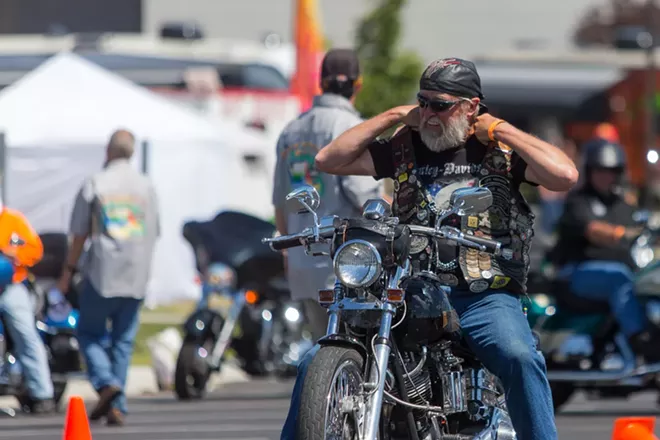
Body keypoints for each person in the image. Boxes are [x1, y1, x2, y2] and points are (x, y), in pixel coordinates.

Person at [282, 57, 579, 440]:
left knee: (520, 357)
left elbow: (565, 175)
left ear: (471, 107)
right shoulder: (407, 146)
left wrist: (501, 129)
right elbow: (328, 160)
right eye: (422, 103)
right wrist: (392, 115)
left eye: (440, 105)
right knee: (314, 361)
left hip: (482, 294)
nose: (429, 114)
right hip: (409, 289)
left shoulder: (499, 152)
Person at [272, 48, 383, 340]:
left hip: (302, 255)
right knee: (356, 350)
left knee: (322, 346)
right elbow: (363, 198)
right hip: (345, 260)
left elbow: (280, 201)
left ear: (320, 82)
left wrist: (288, 253)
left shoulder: (291, 130)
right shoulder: (350, 127)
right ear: (358, 86)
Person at [56, 129, 160, 426]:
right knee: (123, 341)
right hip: (137, 272)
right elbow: (156, 230)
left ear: (108, 151)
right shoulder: (146, 185)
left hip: (103, 272)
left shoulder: (96, 182)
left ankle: (104, 383)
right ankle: (118, 405)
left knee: (89, 333)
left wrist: (69, 270)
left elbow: (79, 233)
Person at [553, 138, 659, 361]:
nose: (605, 176)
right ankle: (640, 340)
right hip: (576, 274)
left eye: (610, 171)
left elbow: (644, 229)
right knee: (618, 278)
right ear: (590, 171)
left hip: (625, 272)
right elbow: (592, 229)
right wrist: (622, 234)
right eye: (600, 170)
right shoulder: (578, 201)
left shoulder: (624, 206)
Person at [0, 197, 55, 414]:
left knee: (27, 335)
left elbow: (35, 249)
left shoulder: (14, 220)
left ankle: (43, 394)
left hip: (11, 286)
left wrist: (15, 254)